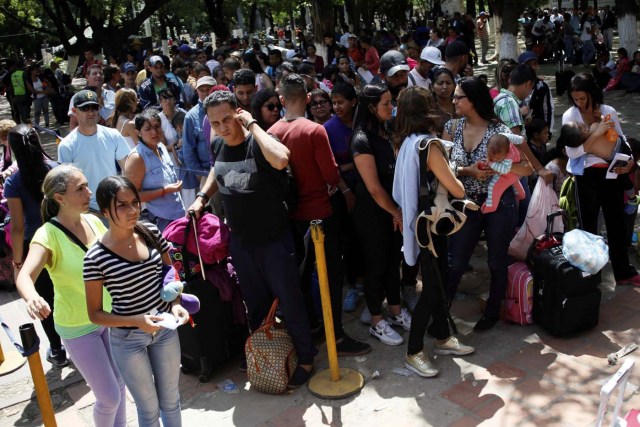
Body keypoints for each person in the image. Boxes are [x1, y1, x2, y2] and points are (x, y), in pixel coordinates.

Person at [189, 90, 317, 388]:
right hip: (241, 242)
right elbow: (215, 170)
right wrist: (201, 197)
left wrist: (253, 125)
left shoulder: (258, 143)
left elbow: (282, 159)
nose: (222, 127)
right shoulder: (218, 143)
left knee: (290, 301)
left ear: (239, 113)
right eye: (215, 122)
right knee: (255, 305)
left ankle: (307, 358)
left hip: (274, 240)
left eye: (227, 119)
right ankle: (265, 353)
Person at [269, 74, 371, 357]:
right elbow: (330, 173)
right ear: (309, 98)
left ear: (281, 100)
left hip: (291, 216)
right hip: (321, 215)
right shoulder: (314, 131)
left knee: (301, 276)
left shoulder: (271, 133)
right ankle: (336, 336)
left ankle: (311, 329)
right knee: (331, 276)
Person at [16, 165, 125, 426]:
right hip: (78, 327)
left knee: (120, 387)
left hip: (110, 318)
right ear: (59, 198)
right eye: (80, 189)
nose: (89, 192)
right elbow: (23, 276)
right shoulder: (47, 235)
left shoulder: (94, 221)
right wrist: (32, 297)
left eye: (87, 185)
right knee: (109, 396)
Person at [85, 176, 187, 426]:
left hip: (165, 331)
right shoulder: (95, 258)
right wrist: (137, 321)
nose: (132, 211)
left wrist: (175, 303)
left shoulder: (150, 231)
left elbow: (168, 272)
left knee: (171, 401)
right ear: (106, 211)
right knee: (149, 410)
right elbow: (95, 314)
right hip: (128, 341)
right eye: (122, 205)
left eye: (135, 203)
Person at [393, 85, 475, 378]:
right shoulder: (429, 145)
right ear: (428, 110)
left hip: (420, 224)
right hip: (431, 226)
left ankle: (442, 337)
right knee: (431, 288)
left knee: (436, 281)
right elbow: (457, 188)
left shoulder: (407, 142)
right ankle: (413, 352)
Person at [442, 77, 532, 331]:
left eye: (459, 97)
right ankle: (441, 312)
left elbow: (526, 168)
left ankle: (493, 311)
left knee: (496, 260)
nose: (454, 100)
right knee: (456, 261)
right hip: (465, 203)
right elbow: (442, 167)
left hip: (499, 203)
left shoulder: (499, 130)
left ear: (474, 100)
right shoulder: (452, 127)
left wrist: (499, 167)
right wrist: (467, 171)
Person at [351, 84, 411, 345]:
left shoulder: (386, 131)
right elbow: (374, 188)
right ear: (371, 107)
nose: (391, 107)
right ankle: (376, 320)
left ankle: (396, 311)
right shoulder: (361, 139)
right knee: (376, 265)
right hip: (373, 214)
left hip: (391, 213)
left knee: (392, 263)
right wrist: (396, 212)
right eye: (386, 103)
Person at [6, 125, 67, 367]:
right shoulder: (56, 170)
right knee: (68, 290)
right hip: (62, 238)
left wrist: (18, 263)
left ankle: (57, 348)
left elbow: (18, 226)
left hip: (35, 245)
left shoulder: (14, 182)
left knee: (44, 299)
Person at [58, 90, 131, 216]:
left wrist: (124, 197)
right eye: (85, 108)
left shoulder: (113, 135)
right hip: (86, 210)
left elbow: (128, 168)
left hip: (114, 204)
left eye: (95, 108)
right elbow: (67, 183)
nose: (91, 113)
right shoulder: (66, 145)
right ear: (75, 111)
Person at [324, 83, 363, 312]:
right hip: (343, 192)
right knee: (348, 240)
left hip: (367, 189)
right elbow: (331, 167)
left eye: (341, 102)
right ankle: (352, 286)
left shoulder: (363, 122)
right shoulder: (328, 128)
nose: (337, 107)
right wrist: (346, 190)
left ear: (353, 102)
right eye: (334, 102)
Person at [124, 110, 185, 231]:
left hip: (178, 215)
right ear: (138, 133)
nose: (154, 132)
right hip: (159, 221)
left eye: (157, 126)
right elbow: (132, 196)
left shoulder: (161, 146)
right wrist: (164, 191)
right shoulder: (137, 158)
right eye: (148, 129)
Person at [481, 133, 527, 213]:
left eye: (498, 158)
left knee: (493, 186)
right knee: (515, 181)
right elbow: (520, 139)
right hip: (515, 175)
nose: (494, 159)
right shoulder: (505, 137)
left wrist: (491, 163)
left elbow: (505, 170)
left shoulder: (508, 157)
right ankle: (521, 195)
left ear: (506, 153)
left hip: (508, 174)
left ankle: (490, 206)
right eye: (490, 156)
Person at [182, 76, 217, 181]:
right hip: (206, 173)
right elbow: (188, 149)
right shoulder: (191, 116)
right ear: (197, 91)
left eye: (209, 90)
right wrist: (200, 174)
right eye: (202, 90)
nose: (206, 93)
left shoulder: (226, 110)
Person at [431, 68, 458, 137]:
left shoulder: (459, 104)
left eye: (448, 83)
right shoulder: (430, 109)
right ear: (432, 87)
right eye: (440, 83)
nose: (445, 87)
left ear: (454, 86)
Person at [25, 64, 51, 128]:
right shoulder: (28, 80)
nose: (37, 71)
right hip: (36, 98)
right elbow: (32, 90)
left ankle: (47, 124)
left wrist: (46, 88)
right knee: (37, 112)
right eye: (35, 70)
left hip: (44, 96)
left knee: (46, 110)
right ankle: (37, 125)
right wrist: (43, 92)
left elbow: (46, 84)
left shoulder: (40, 77)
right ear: (31, 71)